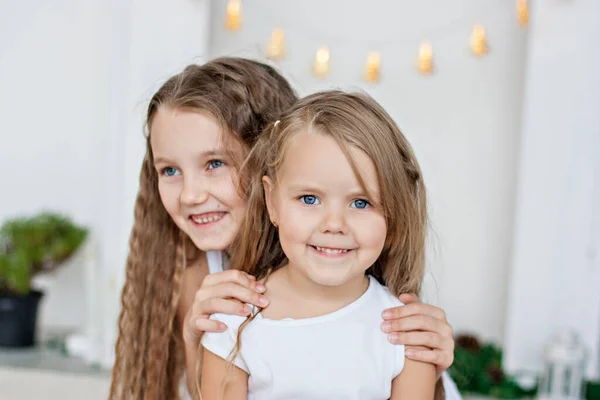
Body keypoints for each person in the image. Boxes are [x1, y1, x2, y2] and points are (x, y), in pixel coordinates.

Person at [109, 58, 459, 400]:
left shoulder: (343, 263)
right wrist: (194, 339)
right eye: (169, 171)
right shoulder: (197, 275)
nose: (191, 194)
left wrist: (434, 357)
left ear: (268, 163)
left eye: (215, 163)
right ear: (271, 195)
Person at [200, 90, 437, 399]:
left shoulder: (405, 333)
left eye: (361, 203)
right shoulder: (233, 320)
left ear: (395, 214)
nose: (334, 224)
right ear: (272, 201)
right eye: (309, 199)